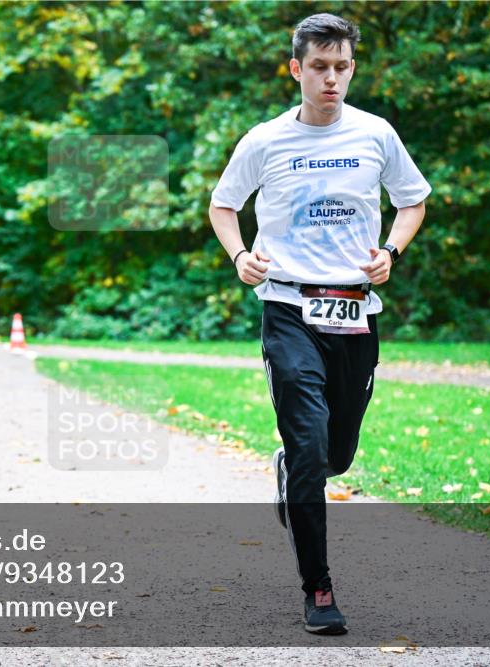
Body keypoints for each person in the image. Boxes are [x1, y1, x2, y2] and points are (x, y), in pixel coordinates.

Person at [209, 13, 430, 635]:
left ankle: (294, 470)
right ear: (296, 69)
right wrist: (241, 256)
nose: (331, 79)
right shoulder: (265, 140)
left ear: (352, 68)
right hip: (288, 307)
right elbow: (223, 206)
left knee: (335, 456)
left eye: (341, 67)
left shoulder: (377, 134)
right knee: (308, 446)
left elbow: (413, 199)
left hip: (356, 311)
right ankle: (319, 587)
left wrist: (392, 251)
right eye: (319, 68)